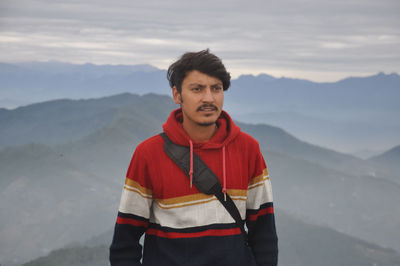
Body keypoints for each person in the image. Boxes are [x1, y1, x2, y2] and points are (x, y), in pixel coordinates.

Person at [109, 49, 278, 265]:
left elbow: (264, 235)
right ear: (177, 95)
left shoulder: (248, 149)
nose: (208, 98)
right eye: (197, 89)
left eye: (216, 89)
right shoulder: (148, 154)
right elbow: (125, 244)